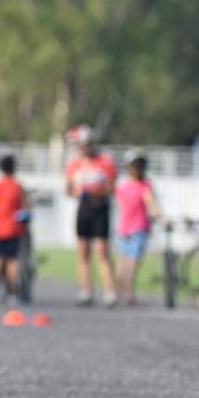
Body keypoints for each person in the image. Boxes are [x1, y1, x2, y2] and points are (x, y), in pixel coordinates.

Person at [64, 124, 118, 307]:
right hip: (83, 209)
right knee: (83, 251)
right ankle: (86, 290)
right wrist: (77, 192)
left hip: (99, 209)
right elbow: (69, 189)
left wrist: (96, 191)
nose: (81, 148)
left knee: (102, 250)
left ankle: (110, 292)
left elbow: (111, 186)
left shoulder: (105, 161)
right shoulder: (74, 164)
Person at [114, 151, 163, 306]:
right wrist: (161, 217)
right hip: (133, 230)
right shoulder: (139, 186)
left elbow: (151, 205)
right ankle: (126, 294)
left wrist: (159, 216)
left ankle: (121, 293)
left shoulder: (125, 187)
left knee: (125, 263)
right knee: (129, 264)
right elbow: (152, 205)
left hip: (131, 229)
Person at [0, 155, 28, 305]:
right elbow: (25, 208)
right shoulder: (17, 187)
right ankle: (13, 294)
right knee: (12, 262)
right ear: (14, 168)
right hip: (12, 229)